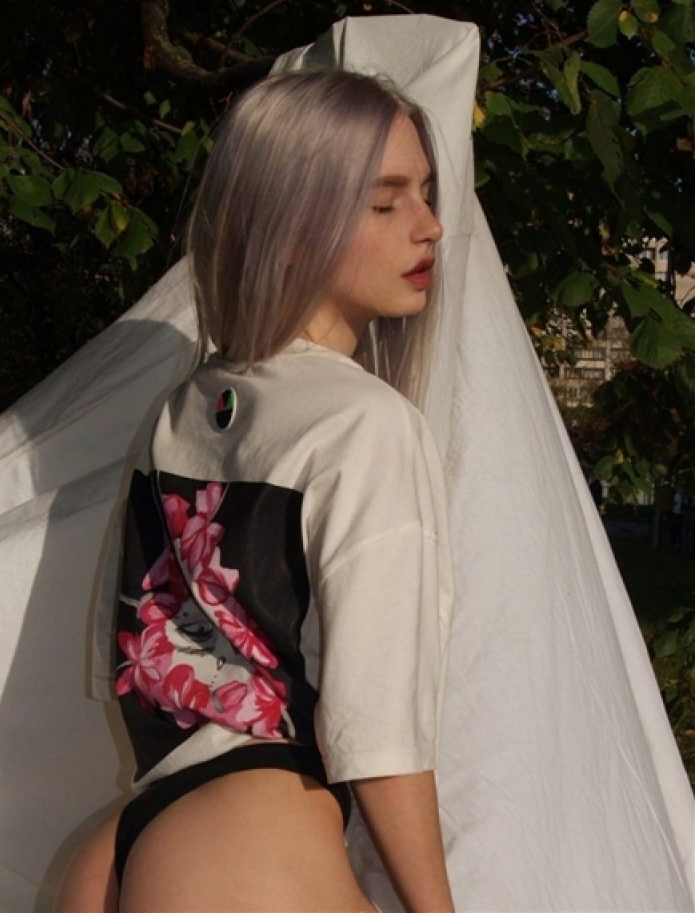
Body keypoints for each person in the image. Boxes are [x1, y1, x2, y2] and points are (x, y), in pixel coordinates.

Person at [56, 69, 455, 912]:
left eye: (425, 193)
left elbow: (134, 645)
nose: (429, 225)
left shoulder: (187, 405)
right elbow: (377, 730)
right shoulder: (366, 424)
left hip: (121, 848)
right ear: (289, 226)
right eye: (385, 203)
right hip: (256, 849)